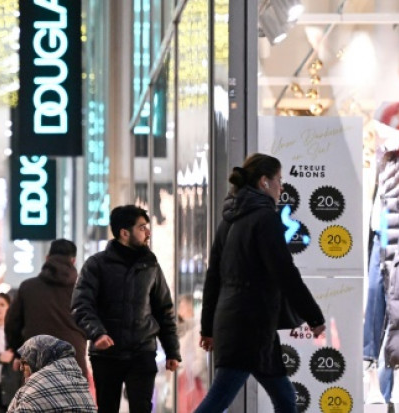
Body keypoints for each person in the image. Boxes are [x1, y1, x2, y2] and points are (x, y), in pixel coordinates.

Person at [195, 153, 326, 413]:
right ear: (264, 182)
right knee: (218, 400)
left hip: (239, 323)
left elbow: (213, 279)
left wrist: (208, 328)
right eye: (279, 179)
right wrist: (313, 316)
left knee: (286, 399)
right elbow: (285, 273)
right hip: (250, 326)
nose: (282, 186)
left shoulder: (228, 221)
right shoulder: (264, 219)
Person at [72, 205, 181, 413]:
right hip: (106, 355)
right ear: (124, 233)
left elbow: (164, 309)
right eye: (142, 228)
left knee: (141, 408)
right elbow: (81, 304)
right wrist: (97, 334)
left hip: (142, 351)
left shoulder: (151, 265)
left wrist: (172, 350)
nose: (148, 233)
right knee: (107, 408)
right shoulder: (97, 265)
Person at [6, 239, 87, 377]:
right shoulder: (83, 289)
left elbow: (12, 325)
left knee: (37, 398)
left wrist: (17, 350)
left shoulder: (28, 287)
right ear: (73, 261)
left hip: (36, 361)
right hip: (73, 360)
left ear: (47, 258)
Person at [5, 335, 96, 413]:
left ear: (38, 359)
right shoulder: (81, 386)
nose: (21, 368)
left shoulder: (35, 391)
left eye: (25, 363)